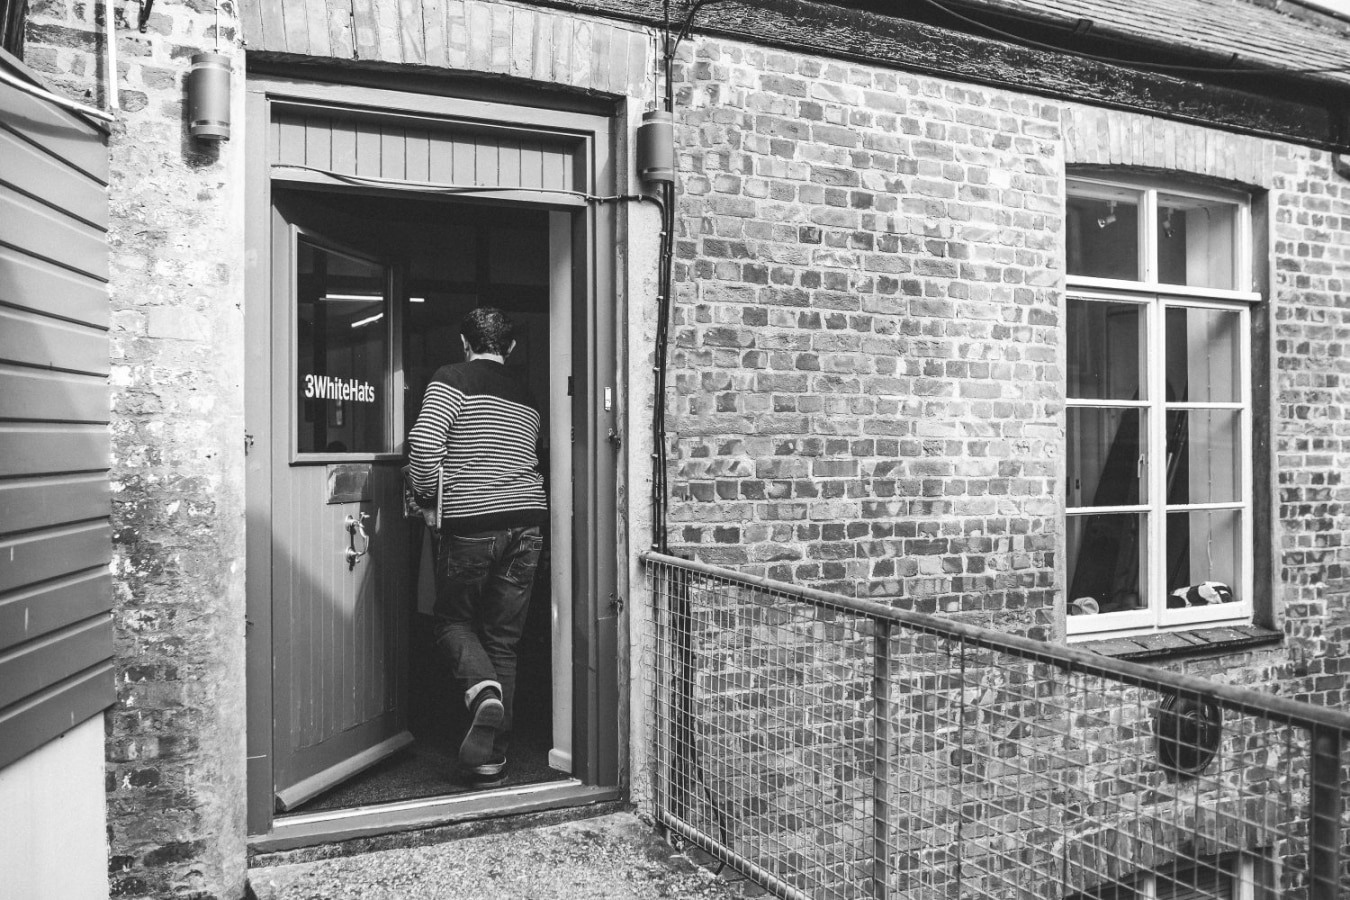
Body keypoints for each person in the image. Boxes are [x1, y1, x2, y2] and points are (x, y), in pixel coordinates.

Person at [407, 307, 547, 779]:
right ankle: (493, 756)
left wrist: (428, 499)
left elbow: (425, 446)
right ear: (510, 348)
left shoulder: (452, 377)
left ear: (464, 343)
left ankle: (483, 691)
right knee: (504, 639)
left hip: (472, 522)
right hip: (527, 524)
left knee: (452, 622)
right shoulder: (527, 394)